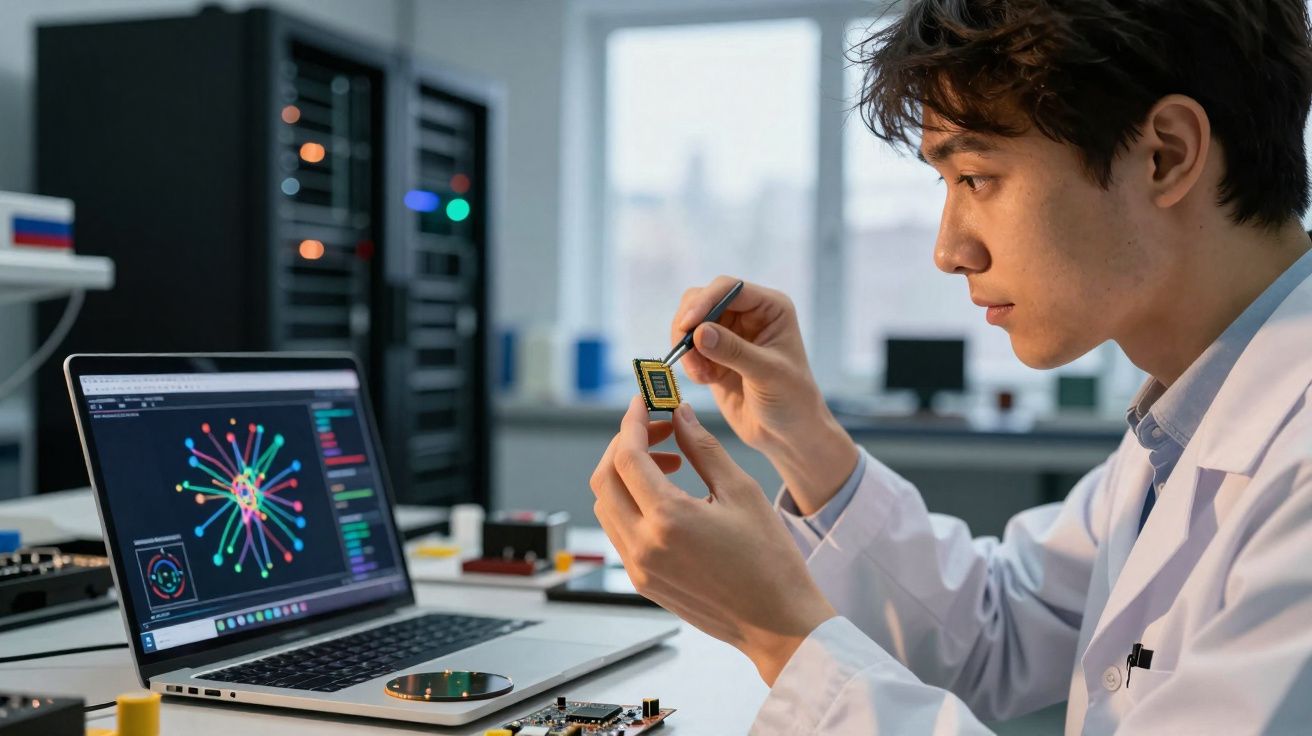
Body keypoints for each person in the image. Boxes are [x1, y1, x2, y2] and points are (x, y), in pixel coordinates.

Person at [589, 0, 1312, 733]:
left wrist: (776, 631)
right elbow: (997, 630)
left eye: (975, 177)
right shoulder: (1183, 424)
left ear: (1165, 155)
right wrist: (805, 437)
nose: (949, 251)